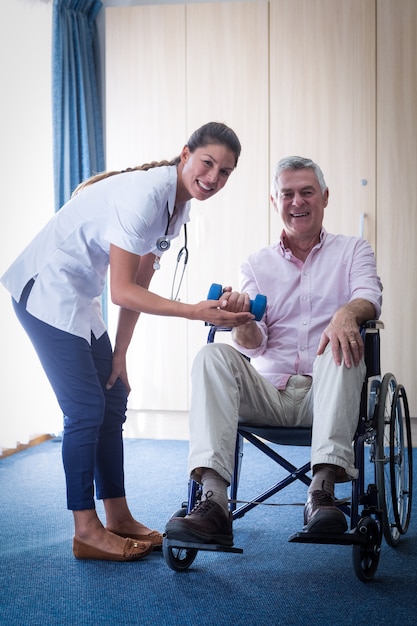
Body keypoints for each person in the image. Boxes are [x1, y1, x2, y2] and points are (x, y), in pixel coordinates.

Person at [1, 122, 254, 562]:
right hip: (44, 291)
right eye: (207, 163)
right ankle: (86, 529)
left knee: (113, 395)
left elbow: (137, 282)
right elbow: (122, 292)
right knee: (84, 410)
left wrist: (120, 356)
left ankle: (116, 516)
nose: (213, 178)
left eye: (225, 172)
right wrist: (194, 311)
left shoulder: (177, 209)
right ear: (185, 154)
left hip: (78, 296)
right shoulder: (145, 197)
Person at [165, 156, 383, 547]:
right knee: (211, 355)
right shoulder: (256, 264)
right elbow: (254, 342)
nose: (296, 202)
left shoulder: (353, 251)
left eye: (306, 192)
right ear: (274, 201)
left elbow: (369, 296)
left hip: (327, 394)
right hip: (269, 393)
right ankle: (213, 502)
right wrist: (242, 319)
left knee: (343, 345)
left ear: (325, 197)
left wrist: (346, 314)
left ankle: (322, 492)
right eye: (287, 194)